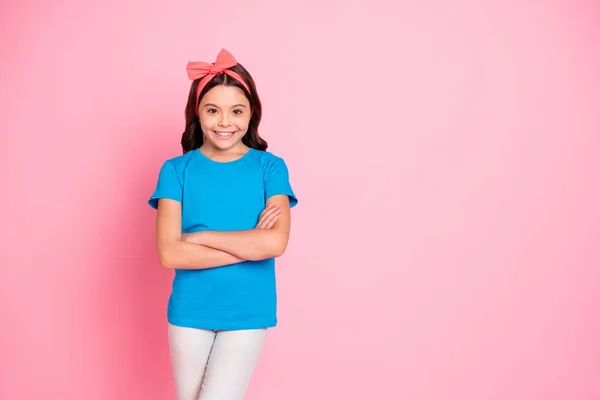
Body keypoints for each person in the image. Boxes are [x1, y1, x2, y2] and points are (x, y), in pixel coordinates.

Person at [148, 48, 298, 400]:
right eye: (212, 110)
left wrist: (200, 237)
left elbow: (275, 244)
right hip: (188, 313)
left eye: (236, 111)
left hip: (247, 312)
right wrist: (250, 245)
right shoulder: (176, 170)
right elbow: (170, 254)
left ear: (252, 114)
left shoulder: (270, 168)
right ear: (197, 113)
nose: (224, 121)